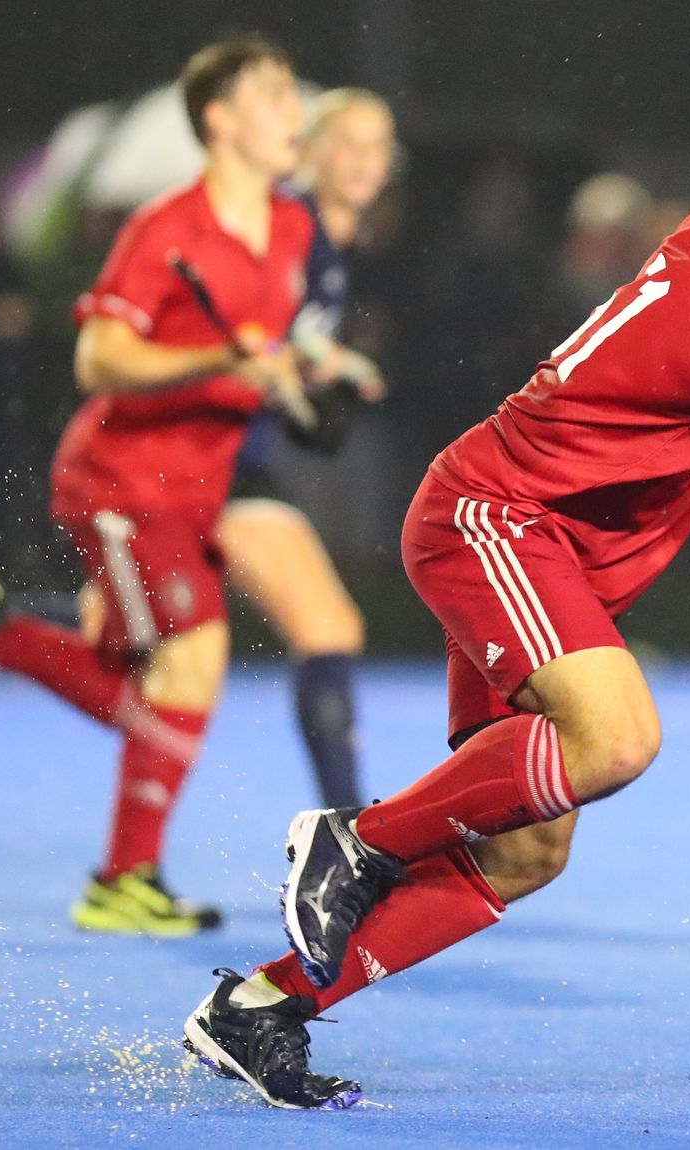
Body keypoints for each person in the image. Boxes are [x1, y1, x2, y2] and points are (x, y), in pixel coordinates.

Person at [179, 48, 690, 1110]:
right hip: (495, 524)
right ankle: (356, 840)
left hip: (543, 554)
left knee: (528, 850)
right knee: (617, 737)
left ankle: (259, 1008)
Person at [0, 36, 358, 936]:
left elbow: (264, 346)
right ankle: (120, 880)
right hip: (123, 480)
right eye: (271, 95)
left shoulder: (292, 228)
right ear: (219, 121)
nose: (292, 110)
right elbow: (99, 357)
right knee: (190, 661)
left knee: (140, 679)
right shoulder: (167, 228)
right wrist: (220, 360)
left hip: (196, 485)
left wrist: (306, 375)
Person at [206, 88, 395, 809]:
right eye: (347, 142)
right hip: (207, 451)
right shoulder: (291, 226)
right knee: (327, 626)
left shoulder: (331, 245)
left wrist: (326, 367)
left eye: (377, 146)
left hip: (231, 452)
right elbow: (245, 328)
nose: (364, 160)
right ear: (310, 151)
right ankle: (346, 832)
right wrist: (300, 374)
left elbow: (287, 335)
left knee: (133, 638)